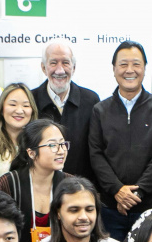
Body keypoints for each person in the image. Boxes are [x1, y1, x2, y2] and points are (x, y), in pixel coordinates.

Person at [89, 41, 152, 241]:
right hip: (110, 208)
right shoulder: (100, 110)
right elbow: (96, 155)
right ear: (114, 69)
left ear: (145, 68)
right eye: (123, 64)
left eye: (136, 64)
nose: (130, 70)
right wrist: (117, 191)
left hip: (151, 207)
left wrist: (137, 194)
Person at [0, 119, 69, 242]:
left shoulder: (69, 184)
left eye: (63, 144)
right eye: (53, 145)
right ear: (32, 153)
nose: (61, 150)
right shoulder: (9, 183)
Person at [32, 42, 101, 181]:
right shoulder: (31, 100)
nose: (60, 70)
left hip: (82, 189)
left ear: (73, 67)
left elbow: (97, 149)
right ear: (43, 68)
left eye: (65, 63)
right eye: (53, 63)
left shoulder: (91, 100)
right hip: (41, 188)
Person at [0, 83, 38, 177]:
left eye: (26, 106)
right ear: (2, 109)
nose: (19, 111)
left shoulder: (38, 141)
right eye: (12, 104)